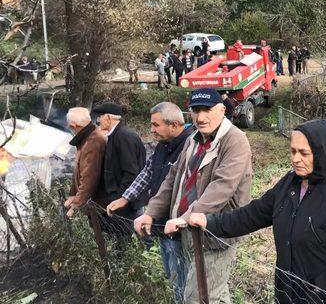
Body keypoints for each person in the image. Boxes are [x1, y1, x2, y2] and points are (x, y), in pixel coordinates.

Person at [188, 119, 326, 304]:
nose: (295, 159)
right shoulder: (289, 184)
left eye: (303, 153)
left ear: (322, 154)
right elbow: (252, 215)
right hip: (289, 294)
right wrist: (209, 221)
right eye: (293, 151)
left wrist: (318, 294)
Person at [134, 88, 252, 304]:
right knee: (212, 294)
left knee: (199, 297)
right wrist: (150, 213)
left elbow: (222, 187)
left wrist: (185, 217)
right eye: (195, 110)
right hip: (190, 232)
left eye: (207, 110)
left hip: (215, 233)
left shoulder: (235, 140)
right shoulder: (194, 140)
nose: (200, 117)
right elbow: (172, 179)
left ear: (222, 110)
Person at [106, 102, 193, 301]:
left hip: (178, 226)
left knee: (182, 277)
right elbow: (147, 172)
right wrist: (125, 198)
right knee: (172, 275)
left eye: (156, 125)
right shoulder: (163, 145)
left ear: (173, 125)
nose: (151, 130)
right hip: (160, 222)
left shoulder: (190, 146)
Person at [93, 102, 146, 227]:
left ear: (108, 117)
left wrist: (121, 199)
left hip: (127, 203)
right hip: (121, 200)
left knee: (129, 238)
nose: (98, 121)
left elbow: (131, 173)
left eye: (99, 117)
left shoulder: (123, 137)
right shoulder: (116, 135)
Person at [64, 107, 108, 217]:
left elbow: (89, 177)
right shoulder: (87, 138)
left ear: (73, 125)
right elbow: (79, 170)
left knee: (103, 233)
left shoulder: (93, 141)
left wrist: (76, 204)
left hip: (100, 205)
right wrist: (72, 194)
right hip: (96, 203)